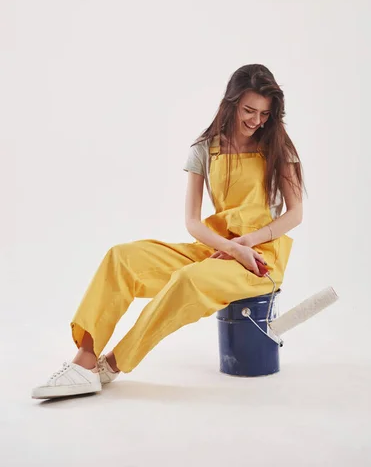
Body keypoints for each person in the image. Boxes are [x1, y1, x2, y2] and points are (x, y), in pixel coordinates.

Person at [32, 64, 303, 400]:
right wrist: (229, 247)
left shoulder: (278, 147)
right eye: (249, 110)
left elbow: (295, 215)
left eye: (264, 113)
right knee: (123, 257)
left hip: (260, 258)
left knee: (187, 280)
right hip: (216, 249)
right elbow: (193, 222)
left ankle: (112, 364)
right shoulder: (204, 149)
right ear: (230, 103)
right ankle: (84, 361)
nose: (256, 120)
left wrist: (246, 244)